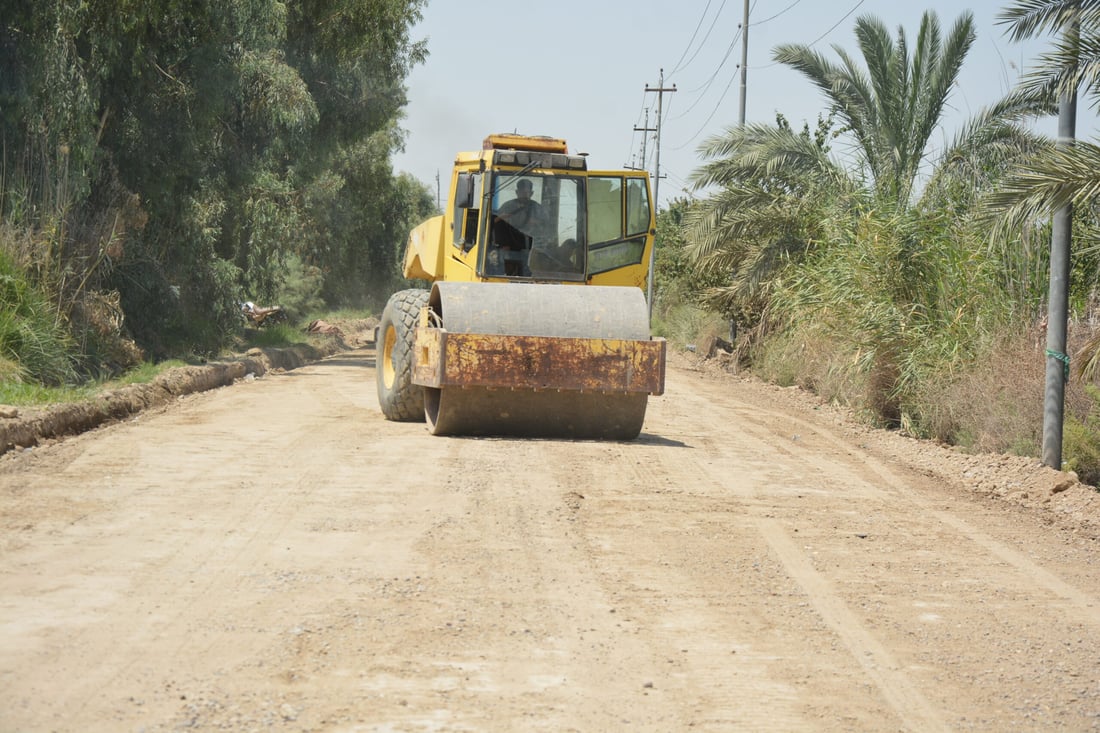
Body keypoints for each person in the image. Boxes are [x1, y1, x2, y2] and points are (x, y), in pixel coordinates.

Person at [493, 178, 548, 275]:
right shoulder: (507, 206)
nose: (525, 194)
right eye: (522, 192)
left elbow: (546, 228)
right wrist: (504, 244)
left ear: (532, 193)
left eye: (527, 192)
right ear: (517, 192)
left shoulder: (538, 209)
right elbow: (496, 224)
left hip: (532, 247)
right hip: (510, 248)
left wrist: (536, 223)